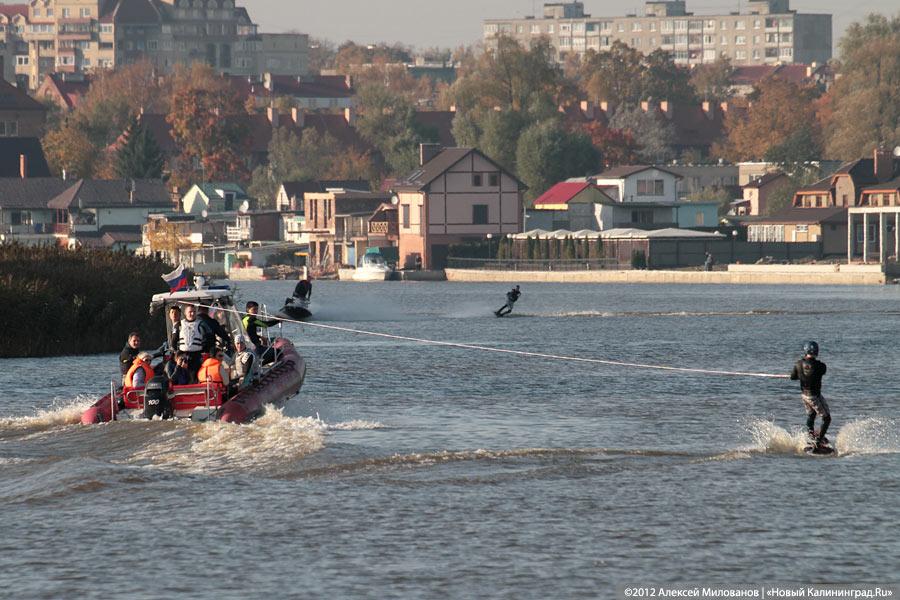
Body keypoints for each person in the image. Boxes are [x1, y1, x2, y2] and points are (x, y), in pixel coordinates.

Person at [790, 340, 831, 449]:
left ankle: (810, 437)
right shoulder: (820, 366)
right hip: (814, 396)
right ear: (817, 351)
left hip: (804, 395)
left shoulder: (798, 364)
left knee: (811, 414)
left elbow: (793, 377)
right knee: (827, 418)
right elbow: (823, 371)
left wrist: (801, 375)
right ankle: (818, 441)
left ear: (805, 351)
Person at [178, 303, 205, 375]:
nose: (192, 314)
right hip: (183, 355)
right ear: (185, 313)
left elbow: (207, 338)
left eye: (194, 312)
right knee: (182, 376)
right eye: (190, 312)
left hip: (196, 355)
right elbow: (174, 339)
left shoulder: (201, 324)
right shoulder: (180, 324)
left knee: (194, 375)